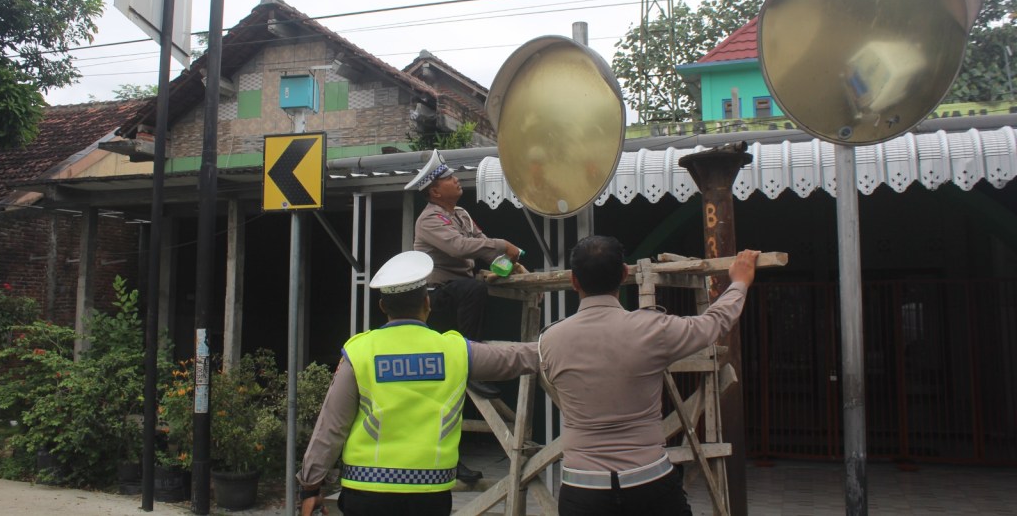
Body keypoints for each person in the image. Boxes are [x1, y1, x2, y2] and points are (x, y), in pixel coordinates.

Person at [298, 250, 538, 516]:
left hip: (366, 492)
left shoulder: (359, 352)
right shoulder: (455, 350)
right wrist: (566, 342)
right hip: (430, 495)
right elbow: (517, 358)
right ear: (427, 303)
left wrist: (310, 486)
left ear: (383, 307)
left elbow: (330, 427)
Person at [538, 235, 760, 516]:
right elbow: (714, 323)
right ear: (624, 274)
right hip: (648, 482)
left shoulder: (550, 340)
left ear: (573, 280)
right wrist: (739, 282)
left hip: (582, 488)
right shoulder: (653, 329)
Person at [408, 149, 525, 400]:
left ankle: (473, 357)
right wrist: (504, 244)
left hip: (460, 290)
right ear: (435, 192)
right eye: (449, 178)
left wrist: (509, 263)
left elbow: (485, 249)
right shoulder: (428, 219)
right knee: (474, 289)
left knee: (479, 287)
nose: (456, 179)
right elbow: (459, 246)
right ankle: (470, 365)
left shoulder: (462, 214)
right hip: (434, 294)